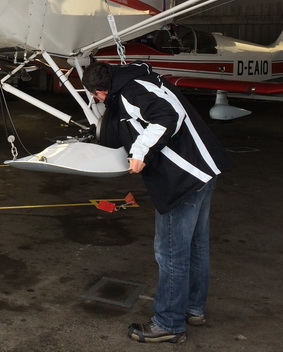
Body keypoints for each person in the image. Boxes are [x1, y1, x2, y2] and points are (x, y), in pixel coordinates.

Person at [82, 60, 231, 344]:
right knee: (195, 247)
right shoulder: (138, 80)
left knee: (171, 253)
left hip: (183, 178)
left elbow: (168, 115)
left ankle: (168, 323)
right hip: (203, 170)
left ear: (99, 91)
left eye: (94, 96)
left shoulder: (131, 92)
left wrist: (140, 152)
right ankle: (193, 308)